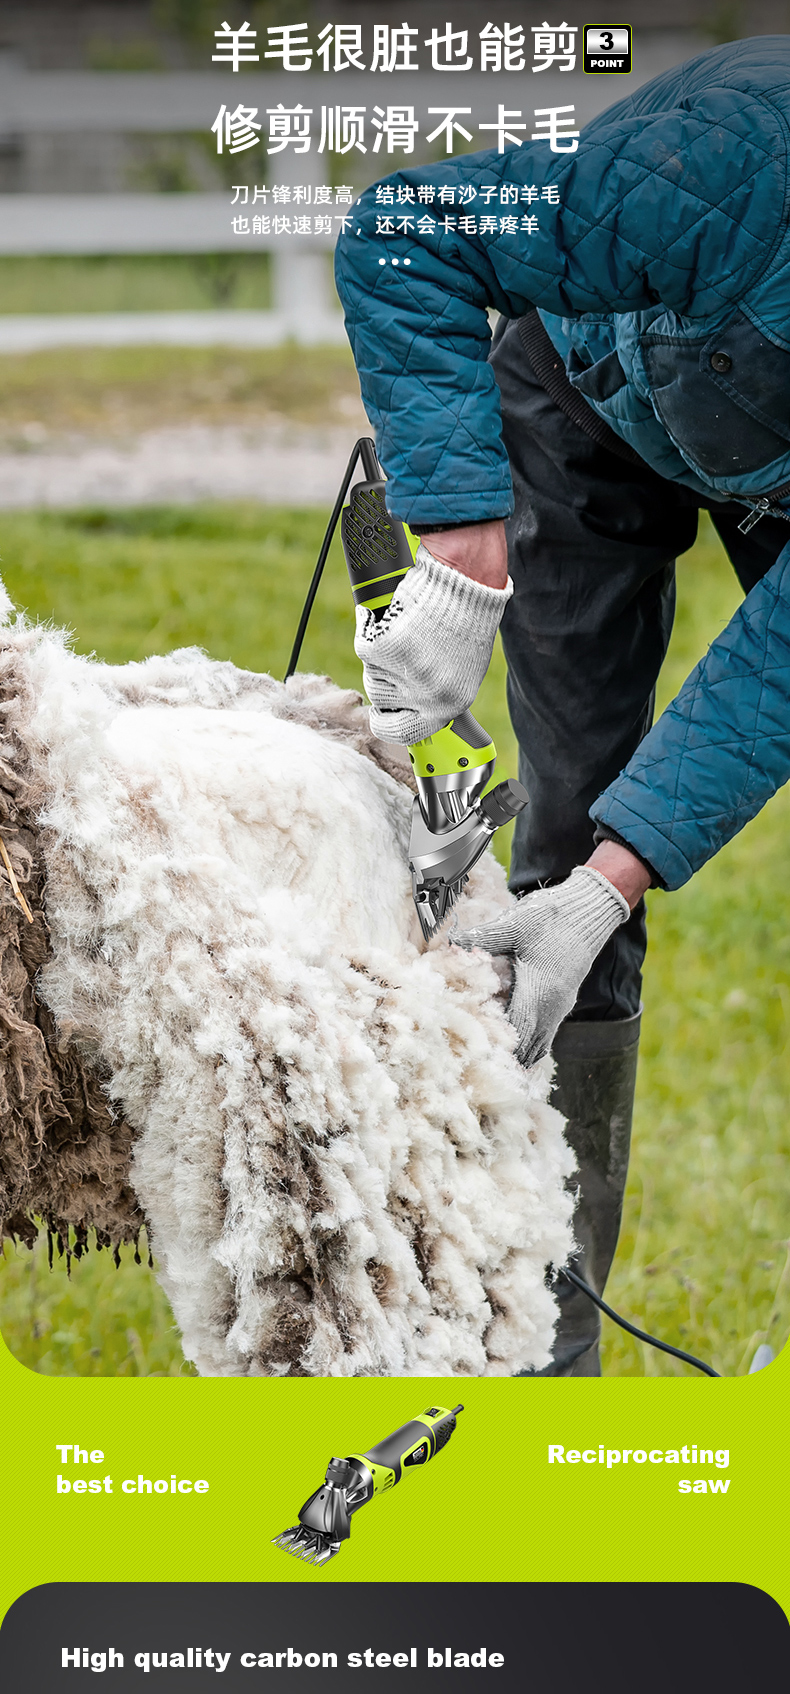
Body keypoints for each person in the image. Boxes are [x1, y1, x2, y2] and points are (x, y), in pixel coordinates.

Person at [335, 37, 790, 1373]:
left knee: (589, 884)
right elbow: (406, 231)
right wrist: (462, 560)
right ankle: (543, 1347)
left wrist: (614, 883)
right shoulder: (718, 167)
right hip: (586, 404)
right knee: (556, 818)